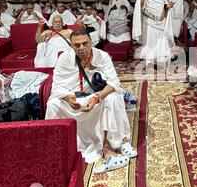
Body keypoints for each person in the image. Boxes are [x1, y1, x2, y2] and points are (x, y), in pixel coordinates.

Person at [45, 29, 137, 167]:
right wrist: (69, 98)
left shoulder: (102, 56)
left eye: (85, 44)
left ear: (91, 42)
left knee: (113, 98)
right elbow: (57, 87)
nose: (81, 48)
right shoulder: (64, 58)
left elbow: (114, 83)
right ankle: (57, 149)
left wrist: (97, 98)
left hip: (95, 97)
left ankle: (110, 147)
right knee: (53, 104)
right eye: (77, 45)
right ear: (71, 45)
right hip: (74, 98)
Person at [132, 0, 175, 73]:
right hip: (149, 23)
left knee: (161, 43)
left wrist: (168, 6)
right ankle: (149, 65)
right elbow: (141, 4)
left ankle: (161, 63)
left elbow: (164, 5)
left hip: (161, 22)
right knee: (150, 44)